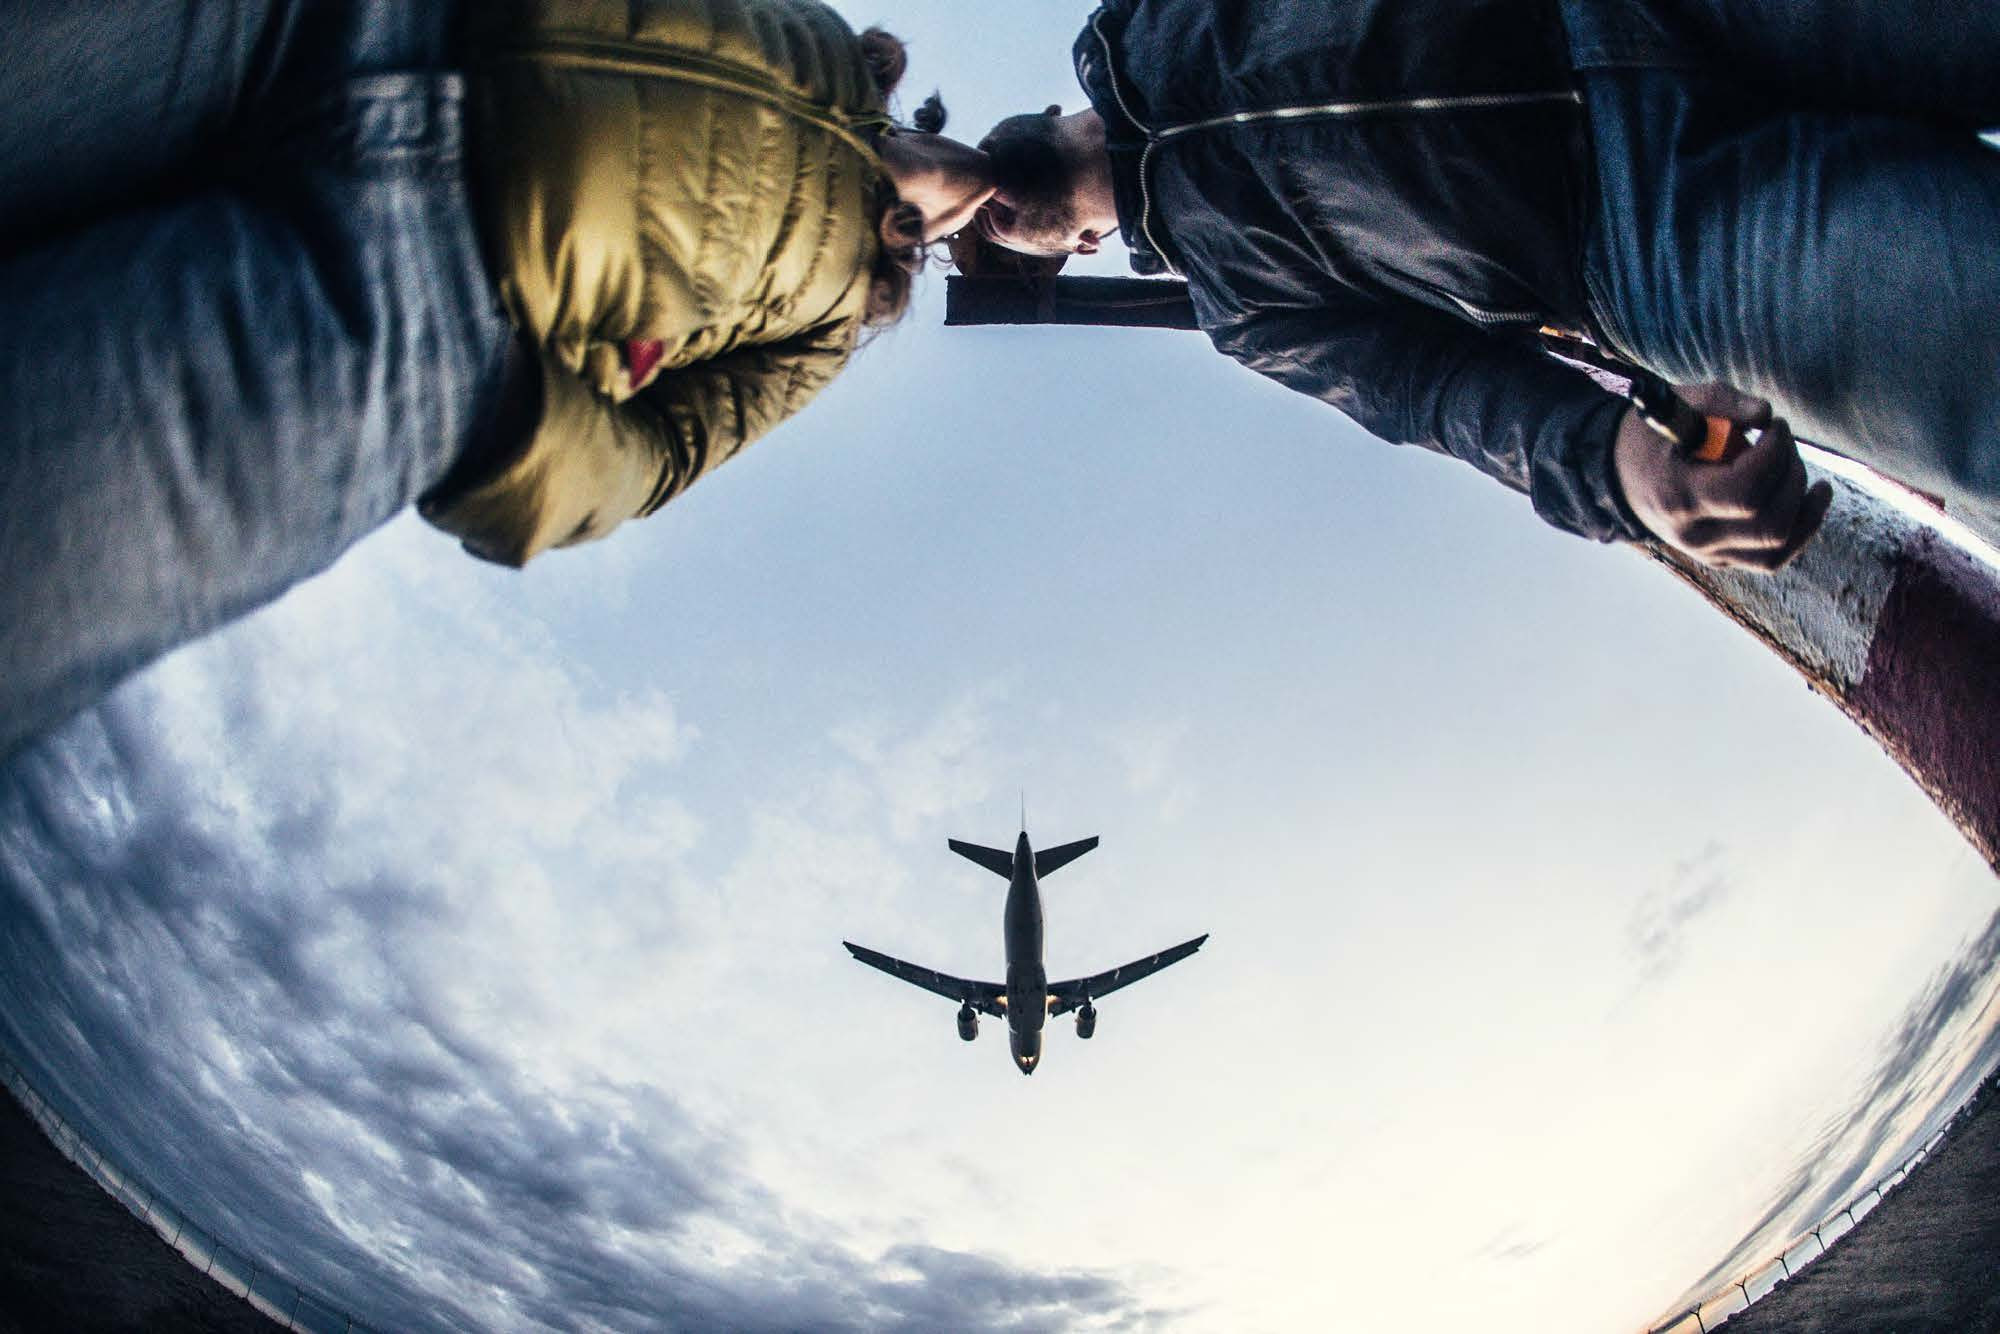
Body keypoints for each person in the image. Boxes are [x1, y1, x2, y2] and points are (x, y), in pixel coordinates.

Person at [0, 0, 999, 760]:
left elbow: (663, 454)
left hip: (413, 317)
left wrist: (505, 418)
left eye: (1066, 237)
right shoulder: (823, 37)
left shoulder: (830, 318)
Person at [966, 0, 2000, 570]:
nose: (984, 225)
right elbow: (1435, 394)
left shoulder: (1140, 15)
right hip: (1656, 243)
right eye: (986, 249)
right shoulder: (1243, 313)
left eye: (962, 214)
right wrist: (1612, 469)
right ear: (1079, 250)